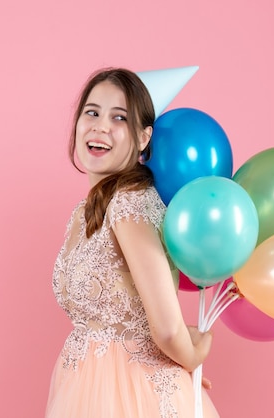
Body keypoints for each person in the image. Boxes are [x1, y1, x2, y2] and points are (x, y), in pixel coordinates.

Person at [46, 68, 219, 418]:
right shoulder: (88, 209)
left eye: (119, 118)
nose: (100, 127)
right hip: (88, 387)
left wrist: (194, 356)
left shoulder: (129, 204)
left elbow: (168, 329)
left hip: (132, 393)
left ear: (143, 138)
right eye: (92, 112)